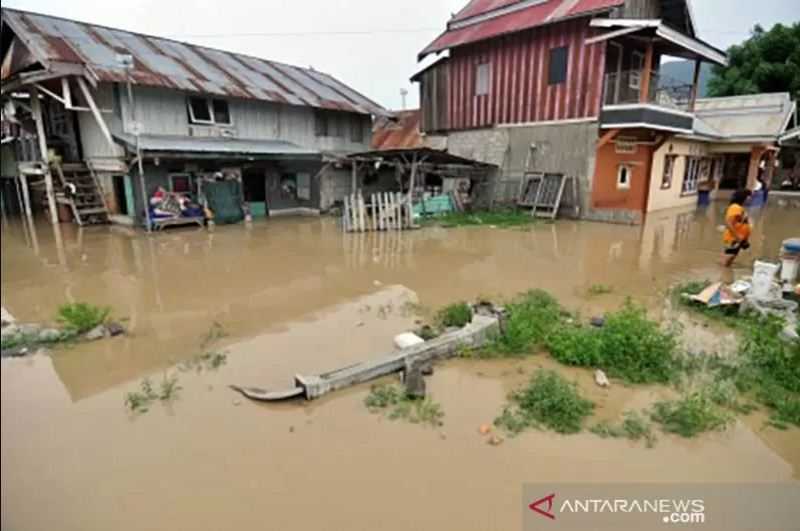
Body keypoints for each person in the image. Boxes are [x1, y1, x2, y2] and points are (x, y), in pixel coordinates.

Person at [722, 189, 752, 268]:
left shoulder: (739, 208)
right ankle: (724, 276)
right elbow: (729, 223)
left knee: (731, 258)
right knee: (728, 259)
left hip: (739, 238)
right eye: (749, 196)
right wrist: (738, 237)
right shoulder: (735, 208)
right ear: (743, 197)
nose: (750, 199)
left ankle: (726, 274)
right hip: (734, 238)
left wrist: (744, 239)